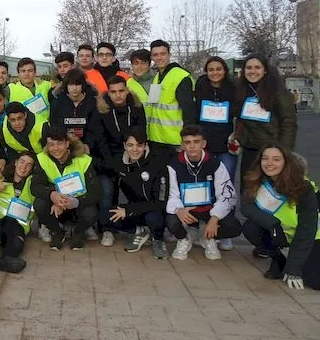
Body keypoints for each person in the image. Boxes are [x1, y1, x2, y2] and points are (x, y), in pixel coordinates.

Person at [240, 144, 320, 290]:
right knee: (250, 228)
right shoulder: (256, 181)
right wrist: (272, 224)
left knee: (319, 282)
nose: (269, 163)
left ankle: (316, 254)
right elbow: (246, 207)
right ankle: (278, 259)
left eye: (276, 159)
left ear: (286, 162)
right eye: (265, 158)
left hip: (310, 236)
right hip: (281, 232)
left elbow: (306, 229)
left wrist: (293, 269)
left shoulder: (303, 187)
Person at [166, 125, 240, 261]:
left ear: (204, 143)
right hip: (187, 210)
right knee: (171, 221)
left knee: (233, 227)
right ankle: (185, 238)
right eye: (187, 143)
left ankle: (208, 237)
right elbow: (172, 194)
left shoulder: (215, 163)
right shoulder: (174, 164)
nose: (192, 146)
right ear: (182, 145)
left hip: (209, 210)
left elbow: (227, 195)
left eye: (196, 142)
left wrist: (215, 217)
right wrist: (178, 209)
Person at [91, 75, 146, 247]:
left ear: (127, 90)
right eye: (113, 92)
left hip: (131, 156)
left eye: (121, 91)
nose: (118, 95)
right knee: (107, 193)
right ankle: (107, 229)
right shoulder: (101, 109)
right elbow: (100, 139)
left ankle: (140, 226)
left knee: (135, 192)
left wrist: (129, 159)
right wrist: (112, 162)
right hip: (107, 159)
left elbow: (140, 134)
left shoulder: (136, 108)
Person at [232, 54, 297, 190]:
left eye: (257, 67)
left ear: (265, 70)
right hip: (250, 151)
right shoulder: (242, 90)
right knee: (248, 192)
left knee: (272, 192)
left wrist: (283, 151)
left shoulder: (277, 91)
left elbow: (289, 122)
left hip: (271, 151)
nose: (252, 71)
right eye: (249, 68)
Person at [32, 126, 100, 250]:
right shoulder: (42, 159)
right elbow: (35, 186)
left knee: (91, 212)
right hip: (56, 208)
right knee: (39, 203)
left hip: (78, 205)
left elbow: (96, 193)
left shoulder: (84, 160)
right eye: (51, 144)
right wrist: (52, 195)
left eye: (60, 143)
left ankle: (78, 231)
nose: (56, 149)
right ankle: (57, 231)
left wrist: (75, 201)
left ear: (67, 143)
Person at [110, 130, 169, 259]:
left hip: (154, 209)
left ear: (145, 146)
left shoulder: (157, 164)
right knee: (108, 216)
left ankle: (157, 240)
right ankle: (138, 232)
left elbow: (160, 203)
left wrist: (129, 210)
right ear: (125, 146)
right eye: (130, 145)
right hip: (136, 208)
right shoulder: (119, 163)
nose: (135, 149)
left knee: (153, 218)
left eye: (139, 145)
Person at [147, 40, 196, 163]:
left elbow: (189, 112)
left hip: (174, 142)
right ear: (152, 57)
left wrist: (187, 140)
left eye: (163, 54)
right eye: (155, 54)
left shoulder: (180, 77)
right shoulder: (158, 77)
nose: (159, 57)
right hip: (157, 139)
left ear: (169, 54)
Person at [0, 152, 35, 273]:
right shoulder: (0, 180)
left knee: (17, 245)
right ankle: (3, 260)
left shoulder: (32, 184)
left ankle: (0, 261)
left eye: (29, 164)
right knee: (9, 221)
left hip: (18, 227)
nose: (24, 166)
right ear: (15, 162)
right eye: (22, 161)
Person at [195, 56, 237, 182]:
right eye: (211, 70)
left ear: (225, 70)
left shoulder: (234, 89)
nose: (215, 73)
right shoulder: (200, 88)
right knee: (206, 182)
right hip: (205, 144)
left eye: (219, 69)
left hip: (226, 145)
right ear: (206, 72)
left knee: (226, 181)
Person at [49, 68, 96, 144]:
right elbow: (55, 127)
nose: (74, 88)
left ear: (83, 85)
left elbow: (95, 130)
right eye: (71, 84)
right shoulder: (57, 103)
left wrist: (87, 145)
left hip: (89, 147)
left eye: (77, 84)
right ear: (66, 85)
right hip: (64, 145)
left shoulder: (92, 103)